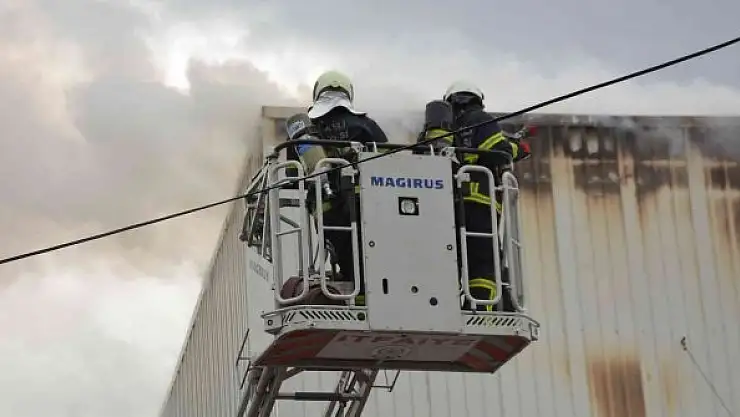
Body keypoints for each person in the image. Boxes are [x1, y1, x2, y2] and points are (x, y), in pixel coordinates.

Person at [297, 70, 388, 306]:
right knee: (370, 253)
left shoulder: (309, 128)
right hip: (365, 201)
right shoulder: (366, 124)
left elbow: (303, 167)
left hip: (326, 206)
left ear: (318, 92)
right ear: (348, 92)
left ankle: (356, 296)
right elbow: (387, 159)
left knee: (345, 256)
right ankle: (366, 297)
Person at [439, 81, 530, 312]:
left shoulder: (444, 128)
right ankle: (482, 311)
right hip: (479, 203)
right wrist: (517, 149)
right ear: (476, 99)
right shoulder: (480, 119)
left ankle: (451, 309)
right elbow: (498, 152)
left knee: (452, 261)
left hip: (446, 207)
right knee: (484, 265)